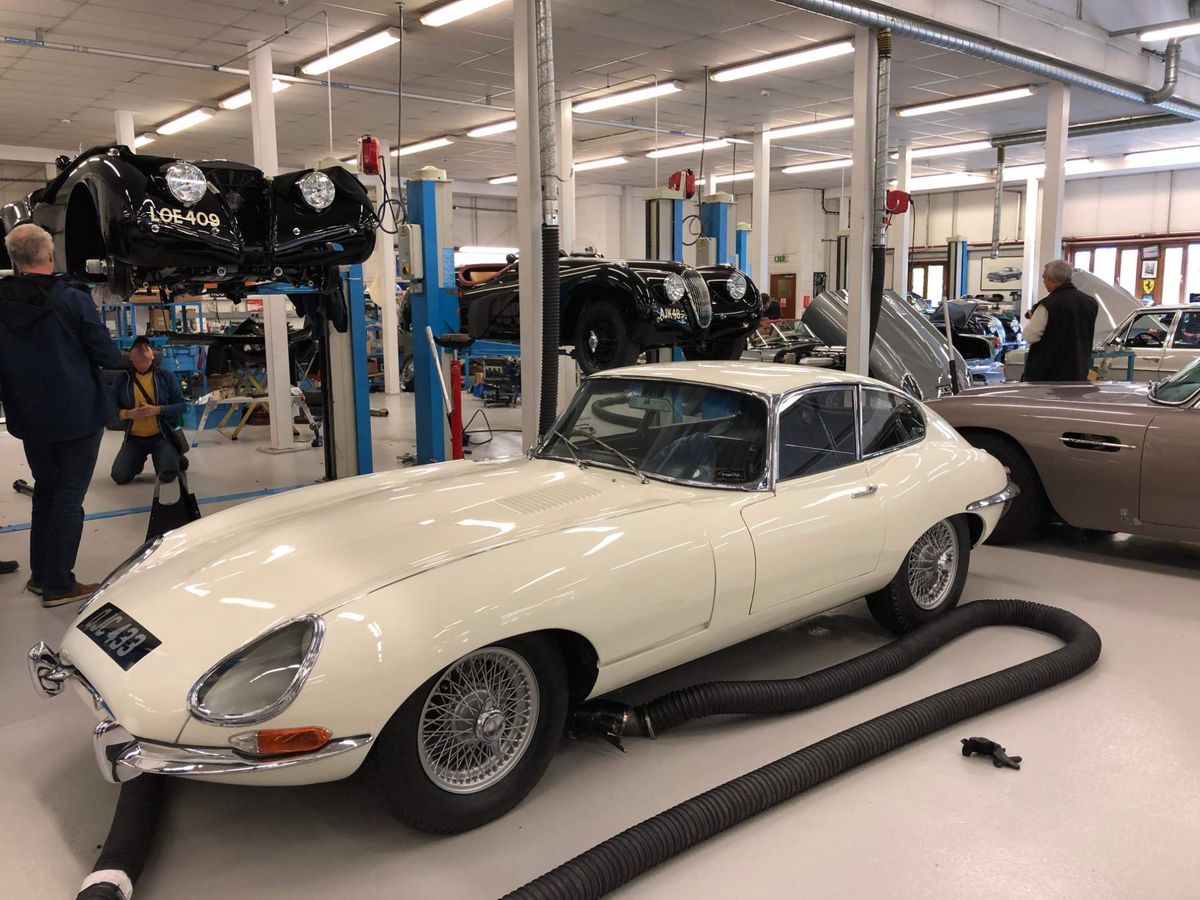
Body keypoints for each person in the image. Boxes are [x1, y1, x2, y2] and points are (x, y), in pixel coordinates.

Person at [0, 223, 121, 606]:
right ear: (50, 255)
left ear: (14, 260)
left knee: (46, 493)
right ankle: (58, 585)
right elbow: (104, 354)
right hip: (77, 416)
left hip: (29, 417)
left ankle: (41, 576)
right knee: (69, 498)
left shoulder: (2, 302)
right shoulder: (71, 299)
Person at [111, 336, 187, 484]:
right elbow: (109, 408)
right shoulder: (122, 380)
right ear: (130, 356)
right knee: (119, 476)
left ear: (153, 356)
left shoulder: (166, 377)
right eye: (137, 346)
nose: (143, 347)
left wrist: (158, 410)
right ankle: (137, 460)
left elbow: (182, 405)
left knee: (167, 476)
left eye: (147, 346)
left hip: (161, 436)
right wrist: (128, 414)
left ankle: (176, 457)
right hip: (134, 439)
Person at [1022, 258, 1099, 382]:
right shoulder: (1090, 302)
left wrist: (1033, 319)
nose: (1043, 282)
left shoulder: (1047, 305)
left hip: (1048, 373)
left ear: (1053, 281)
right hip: (1078, 370)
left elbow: (1030, 336)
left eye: (1044, 278)